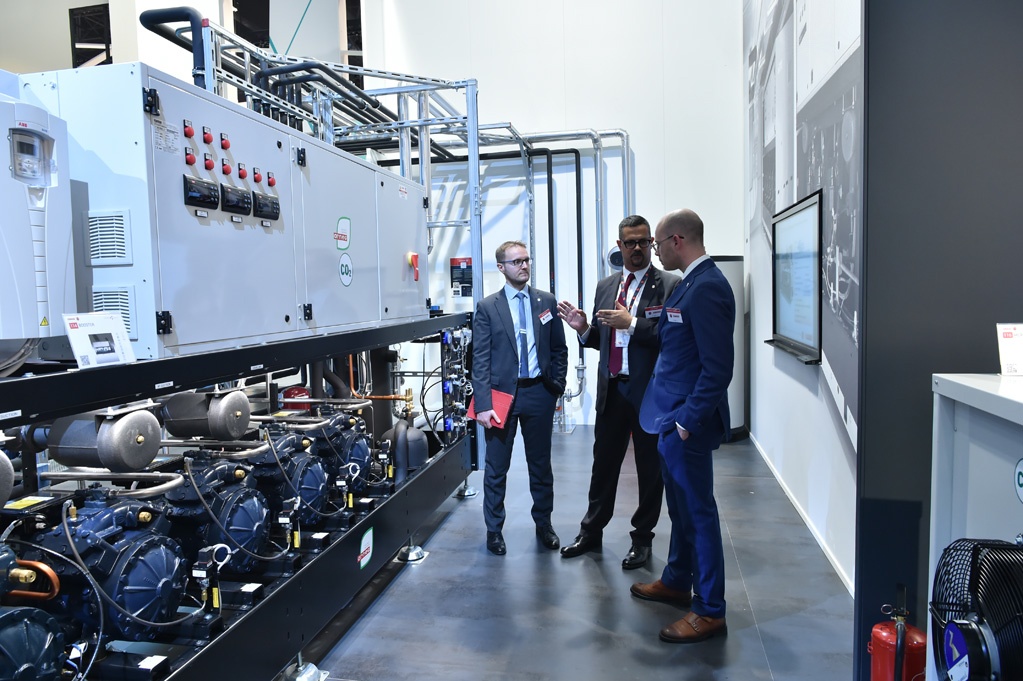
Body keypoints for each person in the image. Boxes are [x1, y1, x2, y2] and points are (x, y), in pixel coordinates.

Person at [630, 208, 735, 644]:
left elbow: (717, 369)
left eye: (655, 243)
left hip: (683, 423)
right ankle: (677, 579)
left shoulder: (708, 287)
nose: (652, 250)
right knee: (680, 509)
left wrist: (688, 423)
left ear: (676, 240)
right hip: (667, 419)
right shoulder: (688, 283)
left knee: (699, 513)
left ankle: (709, 609)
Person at [556, 215, 679, 569]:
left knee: (649, 470)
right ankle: (591, 531)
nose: (637, 248)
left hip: (649, 394)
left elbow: (670, 336)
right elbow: (602, 339)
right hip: (612, 390)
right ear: (619, 246)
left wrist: (634, 323)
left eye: (644, 242)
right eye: (630, 243)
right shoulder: (606, 286)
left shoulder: (669, 284)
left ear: (652, 245)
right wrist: (583, 330)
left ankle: (642, 539)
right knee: (603, 466)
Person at [471, 240, 568, 556]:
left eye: (526, 260)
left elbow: (558, 348)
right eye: (516, 262)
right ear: (502, 267)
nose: (523, 266)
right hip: (501, 398)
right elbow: (480, 359)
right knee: (496, 468)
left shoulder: (546, 301)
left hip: (538, 393)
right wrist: (483, 405)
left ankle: (544, 524)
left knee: (541, 465)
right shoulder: (488, 307)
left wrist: (557, 385)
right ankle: (494, 531)